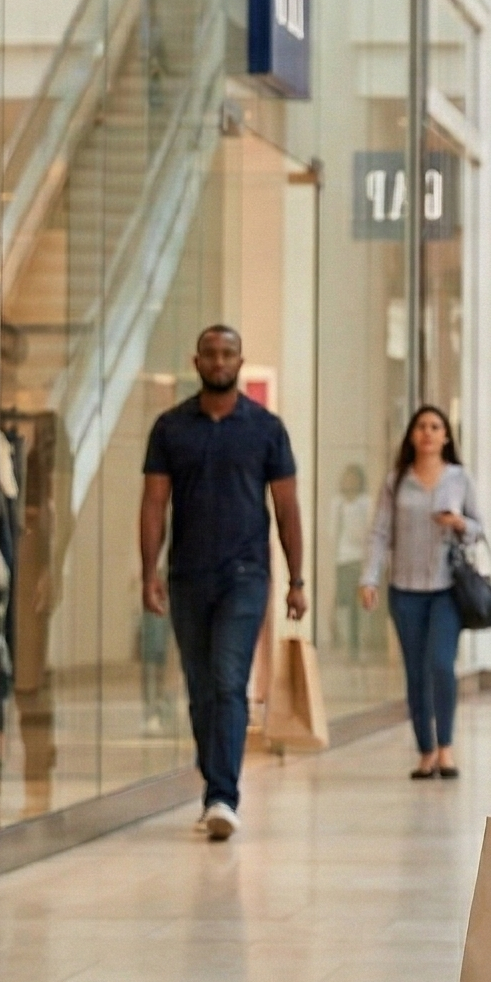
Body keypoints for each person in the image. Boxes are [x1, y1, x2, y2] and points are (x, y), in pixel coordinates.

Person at [140, 325, 304, 842]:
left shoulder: (266, 429)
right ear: (196, 361)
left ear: (240, 359)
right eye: (209, 352)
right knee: (200, 687)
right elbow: (153, 505)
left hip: (245, 575)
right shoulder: (170, 428)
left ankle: (223, 797)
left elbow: (286, 507)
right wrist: (149, 571)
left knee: (228, 680)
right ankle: (214, 786)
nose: (218, 360)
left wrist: (296, 579)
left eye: (227, 352)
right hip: (188, 575)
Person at [361, 405, 488, 780]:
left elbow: (480, 528)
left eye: (435, 427)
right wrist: (369, 578)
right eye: (421, 427)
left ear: (446, 436)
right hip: (405, 590)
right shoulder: (396, 481)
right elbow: (380, 533)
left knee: (440, 665)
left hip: (447, 589)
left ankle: (446, 747)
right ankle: (425, 751)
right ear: (412, 435)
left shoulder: (459, 478)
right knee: (415, 672)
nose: (428, 433)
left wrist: (458, 522)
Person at [330, 463, 372, 658]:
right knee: (344, 600)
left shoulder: (365, 503)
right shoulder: (338, 503)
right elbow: (332, 532)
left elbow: (369, 530)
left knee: (358, 603)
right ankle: (343, 640)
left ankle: (358, 642)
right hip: (343, 557)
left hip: (360, 558)